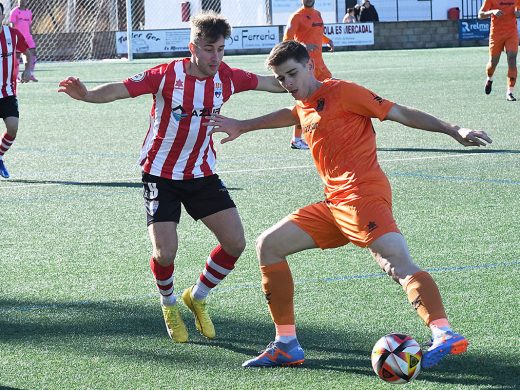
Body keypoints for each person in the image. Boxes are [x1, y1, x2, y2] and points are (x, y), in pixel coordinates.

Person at [206, 40, 492, 368]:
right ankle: (286, 344)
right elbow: (293, 113)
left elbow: (399, 113)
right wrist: (243, 125)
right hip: (334, 204)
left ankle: (443, 332)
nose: (288, 84)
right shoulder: (304, 103)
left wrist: (454, 129)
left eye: (292, 74)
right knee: (269, 245)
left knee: (397, 263)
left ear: (311, 65)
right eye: (282, 79)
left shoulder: (344, 92)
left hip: (362, 198)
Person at [58, 11, 285, 343]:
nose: (216, 57)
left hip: (201, 173)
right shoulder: (166, 75)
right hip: (160, 174)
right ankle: (169, 304)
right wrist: (88, 94)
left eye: (221, 49)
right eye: (209, 49)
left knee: (235, 242)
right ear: (192, 46)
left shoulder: (229, 77)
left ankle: (198, 296)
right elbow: (121, 89)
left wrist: (307, 80)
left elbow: (272, 84)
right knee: (166, 253)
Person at [283, 0, 334, 150]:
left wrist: (327, 40)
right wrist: (304, 46)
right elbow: (286, 41)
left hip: (321, 66)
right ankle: (296, 139)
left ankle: (327, 133)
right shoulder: (297, 16)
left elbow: (317, 33)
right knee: (305, 102)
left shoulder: (317, 14)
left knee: (332, 95)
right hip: (306, 67)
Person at [0, 3, 33, 179]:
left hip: (7, 92)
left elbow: (28, 53)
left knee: (12, 128)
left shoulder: (11, 35)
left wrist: (28, 70)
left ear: (2, 16)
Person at [478, 0, 520, 101]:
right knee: (493, 63)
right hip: (496, 35)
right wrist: (492, 12)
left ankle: (510, 92)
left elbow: (518, 9)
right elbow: (480, 14)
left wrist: (518, 13)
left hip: (511, 34)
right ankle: (490, 78)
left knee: (512, 59)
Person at [9, 0, 37, 82]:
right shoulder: (14, 11)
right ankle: (16, 76)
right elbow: (12, 25)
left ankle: (30, 73)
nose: (22, 1)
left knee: (33, 52)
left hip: (28, 37)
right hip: (18, 37)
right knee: (17, 55)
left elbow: (29, 25)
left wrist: (31, 35)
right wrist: (14, 36)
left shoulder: (29, 12)